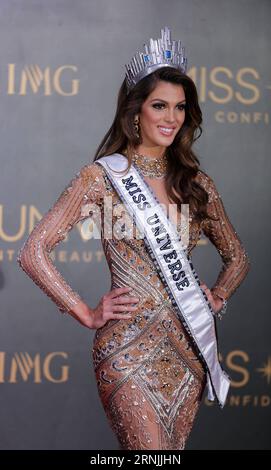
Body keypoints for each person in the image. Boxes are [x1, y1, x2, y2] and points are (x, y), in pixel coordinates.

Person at [17, 27, 250, 450]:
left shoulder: (197, 184)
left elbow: (237, 258)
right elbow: (33, 251)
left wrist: (218, 296)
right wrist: (85, 312)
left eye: (180, 107)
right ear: (135, 110)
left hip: (186, 351)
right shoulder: (103, 177)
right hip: (126, 349)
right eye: (159, 105)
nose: (171, 117)